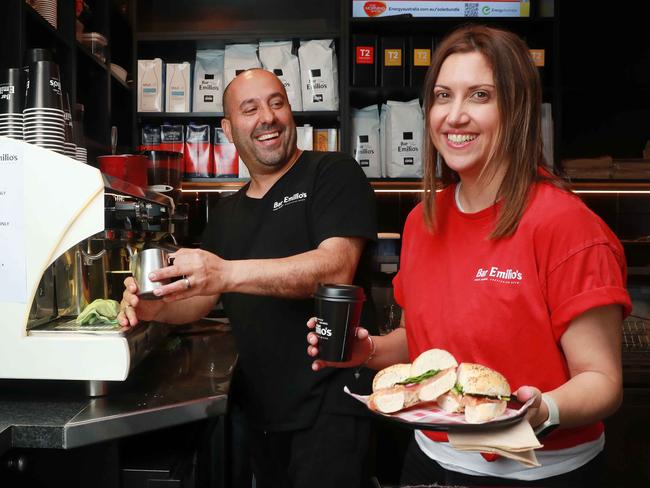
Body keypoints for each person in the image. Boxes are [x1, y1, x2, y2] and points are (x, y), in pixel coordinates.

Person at [307, 25, 631, 486]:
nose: (454, 116)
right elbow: (424, 344)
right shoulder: (423, 220)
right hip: (430, 462)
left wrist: (542, 409)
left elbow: (602, 380)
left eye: (479, 95)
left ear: (516, 109)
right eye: (442, 96)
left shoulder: (564, 224)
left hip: (541, 473)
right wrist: (368, 350)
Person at [118, 69, 378, 488]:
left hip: (332, 404)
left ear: (290, 112)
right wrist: (154, 307)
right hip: (265, 410)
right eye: (250, 108)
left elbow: (335, 268)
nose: (267, 117)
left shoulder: (332, 172)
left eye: (276, 103)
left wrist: (224, 272)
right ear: (228, 129)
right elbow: (198, 299)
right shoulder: (226, 214)